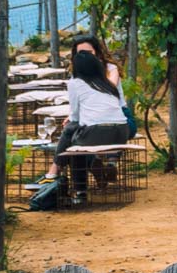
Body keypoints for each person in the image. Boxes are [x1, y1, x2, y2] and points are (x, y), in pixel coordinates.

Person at [37, 33, 123, 185]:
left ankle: (68, 181)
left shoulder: (78, 82)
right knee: (75, 135)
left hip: (101, 128)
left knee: (73, 138)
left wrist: (73, 119)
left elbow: (76, 116)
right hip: (121, 130)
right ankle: (98, 170)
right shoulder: (102, 80)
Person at [53, 47, 131, 205]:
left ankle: (73, 186)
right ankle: (84, 167)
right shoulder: (105, 81)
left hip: (97, 132)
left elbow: (75, 115)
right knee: (77, 139)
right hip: (122, 131)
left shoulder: (75, 83)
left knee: (73, 143)